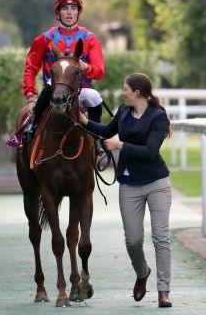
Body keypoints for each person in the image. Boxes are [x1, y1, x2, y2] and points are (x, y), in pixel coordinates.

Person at [80, 72, 173, 308]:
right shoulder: (122, 111)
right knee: (133, 241)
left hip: (157, 183)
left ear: (137, 92)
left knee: (161, 237)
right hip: (129, 185)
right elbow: (106, 131)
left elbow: (151, 151)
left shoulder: (157, 117)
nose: (123, 93)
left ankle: (164, 291)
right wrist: (84, 122)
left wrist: (120, 145)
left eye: (125, 89)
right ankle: (142, 273)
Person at [22, 0, 105, 153]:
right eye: (65, 8)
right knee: (48, 88)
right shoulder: (44, 38)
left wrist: (86, 67)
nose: (69, 12)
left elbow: (99, 72)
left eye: (73, 8)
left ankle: (97, 138)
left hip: (80, 91)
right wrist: (30, 97)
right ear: (58, 12)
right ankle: (32, 126)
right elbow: (31, 68)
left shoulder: (89, 38)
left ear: (78, 12)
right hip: (53, 90)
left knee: (94, 96)